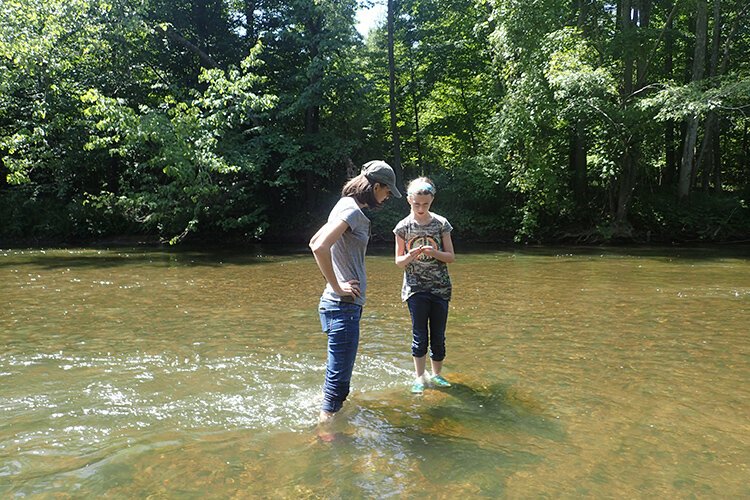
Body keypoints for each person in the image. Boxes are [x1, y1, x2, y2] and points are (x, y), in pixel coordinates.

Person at [309, 160, 402, 424]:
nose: (386, 198)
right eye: (386, 191)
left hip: (337, 305)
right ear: (375, 186)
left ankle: (327, 413)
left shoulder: (344, 205)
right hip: (342, 306)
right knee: (338, 383)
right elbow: (318, 245)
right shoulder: (351, 211)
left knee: (335, 376)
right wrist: (339, 287)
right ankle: (327, 433)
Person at [393, 177, 455, 394]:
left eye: (425, 204)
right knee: (420, 335)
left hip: (440, 288)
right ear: (409, 200)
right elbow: (398, 262)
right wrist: (409, 256)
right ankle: (419, 376)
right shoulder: (402, 227)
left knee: (438, 335)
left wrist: (434, 253)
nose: (421, 208)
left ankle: (436, 375)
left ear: (432, 200)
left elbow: (450, 257)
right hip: (415, 288)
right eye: (416, 204)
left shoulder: (441, 223)